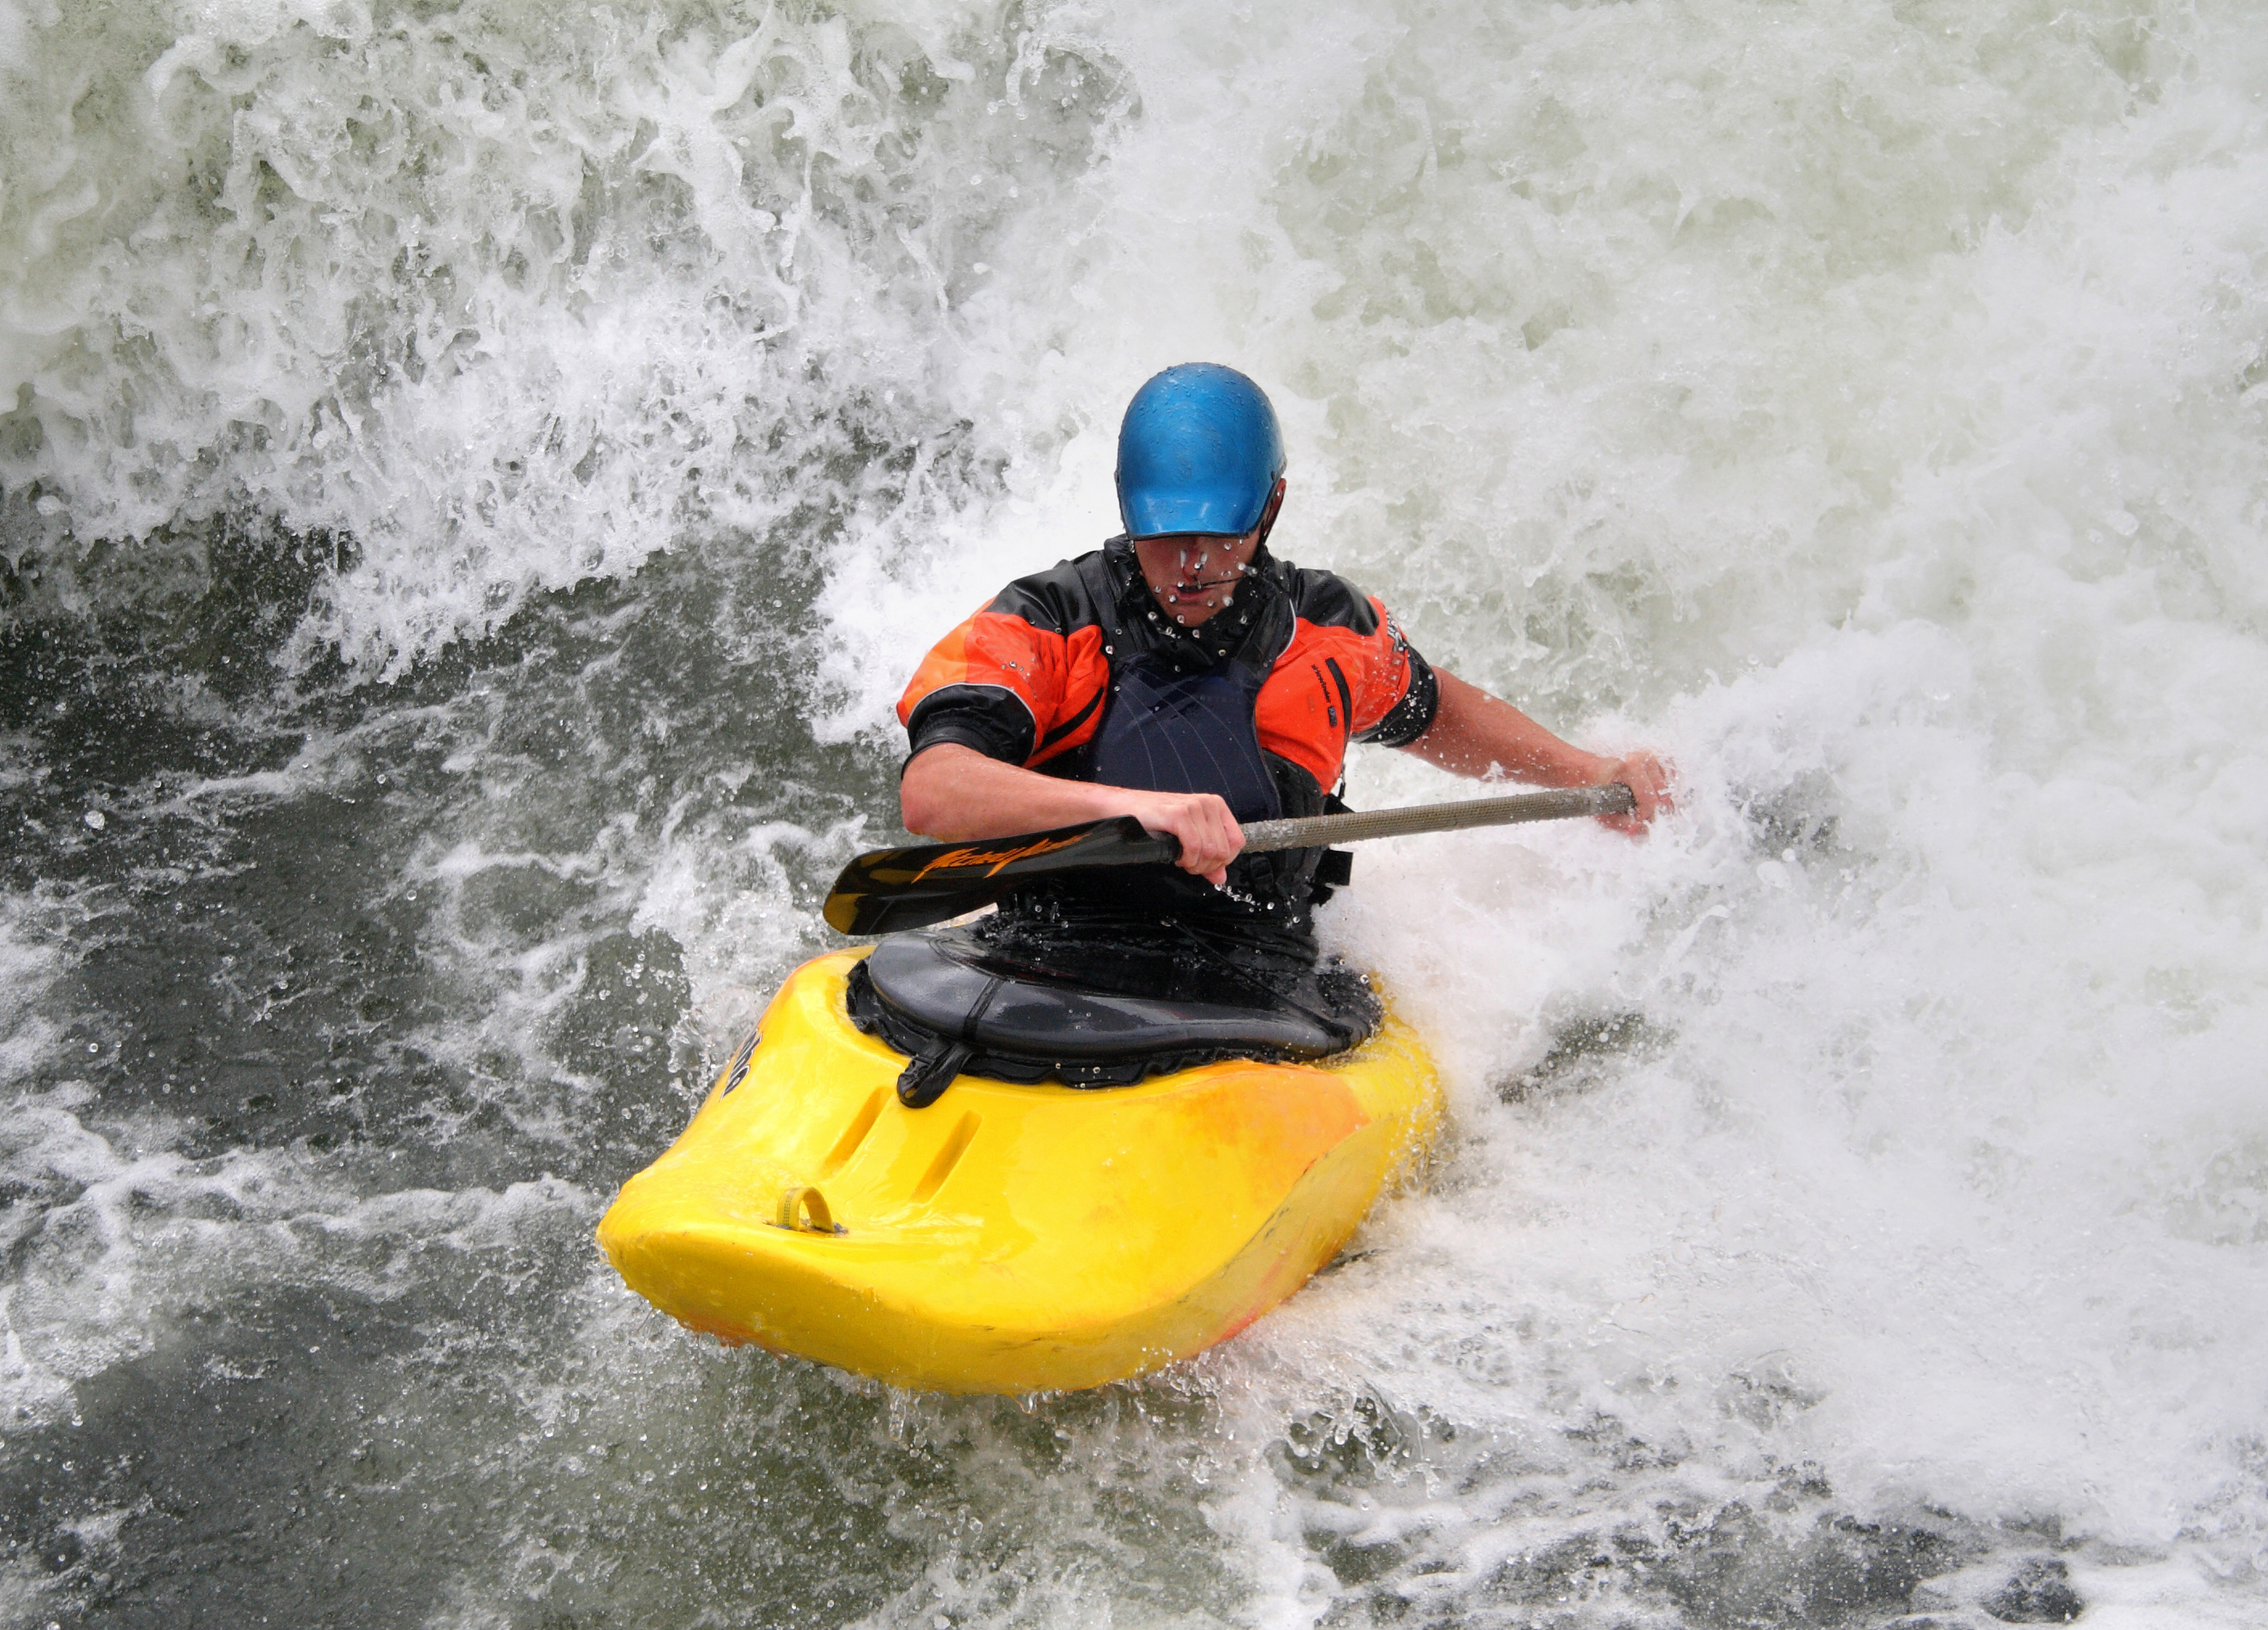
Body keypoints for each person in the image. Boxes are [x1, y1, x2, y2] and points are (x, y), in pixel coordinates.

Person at [886, 364, 1670, 1063]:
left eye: (1217, 533)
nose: (1190, 564)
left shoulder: (1332, 629)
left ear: (1272, 506)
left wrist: (1590, 773)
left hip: (1256, 993)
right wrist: (1131, 807)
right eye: (1166, 535)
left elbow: (1441, 716)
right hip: (1040, 958)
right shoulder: (1043, 620)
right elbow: (935, 789)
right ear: (1128, 507)